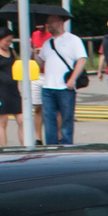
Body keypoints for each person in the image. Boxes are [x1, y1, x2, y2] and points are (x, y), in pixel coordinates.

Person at [37, 12, 86, 146]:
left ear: (60, 22)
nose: (48, 25)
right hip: (48, 87)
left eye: (51, 21)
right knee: (48, 119)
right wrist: (34, 54)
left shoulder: (73, 40)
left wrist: (73, 79)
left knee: (66, 119)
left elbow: (81, 59)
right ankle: (51, 146)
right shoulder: (48, 43)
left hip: (65, 87)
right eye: (47, 22)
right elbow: (41, 63)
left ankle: (67, 145)